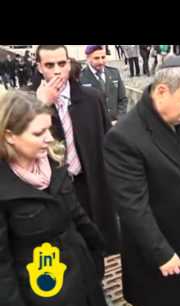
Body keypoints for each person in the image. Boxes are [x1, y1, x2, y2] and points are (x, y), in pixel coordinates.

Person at [103, 56, 180, 306]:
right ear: (163, 91)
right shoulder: (123, 138)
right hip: (157, 256)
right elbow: (132, 206)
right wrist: (162, 254)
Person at [0, 90, 110, 306]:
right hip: (44, 295)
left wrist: (96, 251)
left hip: (84, 278)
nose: (49, 138)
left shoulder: (53, 163)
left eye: (49, 128)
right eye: (39, 133)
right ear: (10, 135)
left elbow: (77, 215)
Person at [33, 45, 120, 262]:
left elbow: (108, 142)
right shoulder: (27, 102)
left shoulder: (92, 98)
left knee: (95, 243)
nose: (56, 71)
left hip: (89, 184)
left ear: (69, 64)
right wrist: (41, 104)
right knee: (65, 249)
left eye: (62, 64)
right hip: (52, 190)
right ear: (39, 68)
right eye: (49, 65)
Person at [80, 45, 128, 125]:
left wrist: (119, 119)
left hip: (115, 124)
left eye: (103, 57)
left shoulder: (114, 73)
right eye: (96, 58)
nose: (101, 61)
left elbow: (122, 99)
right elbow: (81, 107)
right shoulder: (81, 77)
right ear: (88, 58)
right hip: (95, 126)